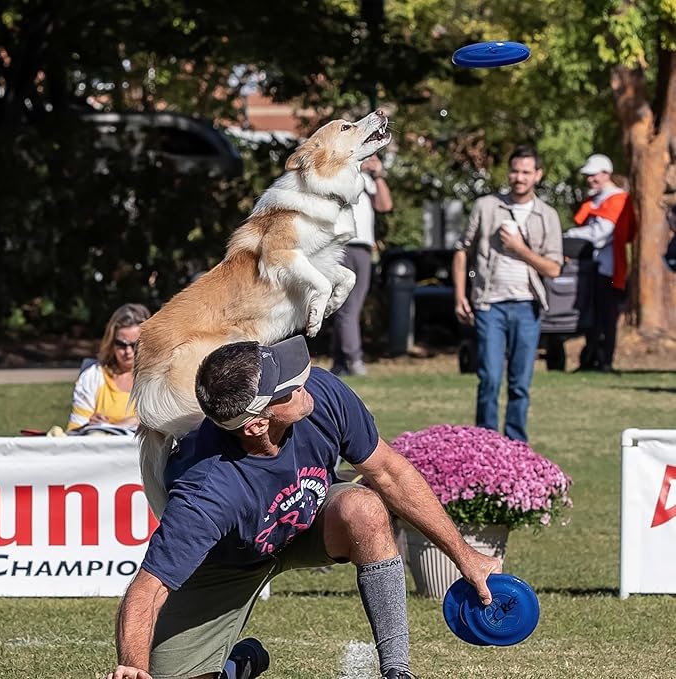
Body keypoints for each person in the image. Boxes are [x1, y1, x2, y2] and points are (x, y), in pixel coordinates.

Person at [106, 335, 501, 679]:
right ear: (256, 424)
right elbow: (148, 588)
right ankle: (236, 666)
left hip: (309, 522)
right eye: (287, 387)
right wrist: (132, 664)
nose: (303, 379)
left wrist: (464, 556)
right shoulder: (206, 491)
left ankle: (397, 669)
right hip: (226, 562)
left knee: (363, 508)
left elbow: (389, 472)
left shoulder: (321, 393)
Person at [452, 145, 563, 442]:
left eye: (527, 172)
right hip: (490, 304)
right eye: (515, 171)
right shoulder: (486, 206)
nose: (519, 177)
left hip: (527, 306)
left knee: (520, 384)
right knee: (489, 378)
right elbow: (462, 250)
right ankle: (487, 444)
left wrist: (519, 249)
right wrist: (460, 295)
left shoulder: (547, 215)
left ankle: (516, 448)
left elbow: (554, 268)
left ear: (537, 175)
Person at [565, 153, 637, 372]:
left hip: (608, 267)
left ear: (606, 174)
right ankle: (590, 357)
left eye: (594, 175)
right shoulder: (595, 198)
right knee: (591, 314)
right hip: (590, 266)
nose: (590, 179)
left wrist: (570, 234)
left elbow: (601, 233)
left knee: (607, 314)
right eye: (588, 175)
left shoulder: (617, 198)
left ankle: (605, 359)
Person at [330, 154, 393, 376]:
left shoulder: (367, 181)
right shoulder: (341, 173)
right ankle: (354, 359)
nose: (371, 159)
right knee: (347, 307)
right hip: (344, 245)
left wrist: (379, 176)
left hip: (364, 248)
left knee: (349, 306)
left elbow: (385, 205)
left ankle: (339, 362)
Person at [66, 303, 151, 432]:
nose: (128, 351)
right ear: (111, 342)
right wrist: (89, 426)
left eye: (135, 345)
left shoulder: (160, 376)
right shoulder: (93, 376)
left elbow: (172, 420)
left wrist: (125, 423)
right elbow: (73, 432)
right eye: (121, 344)